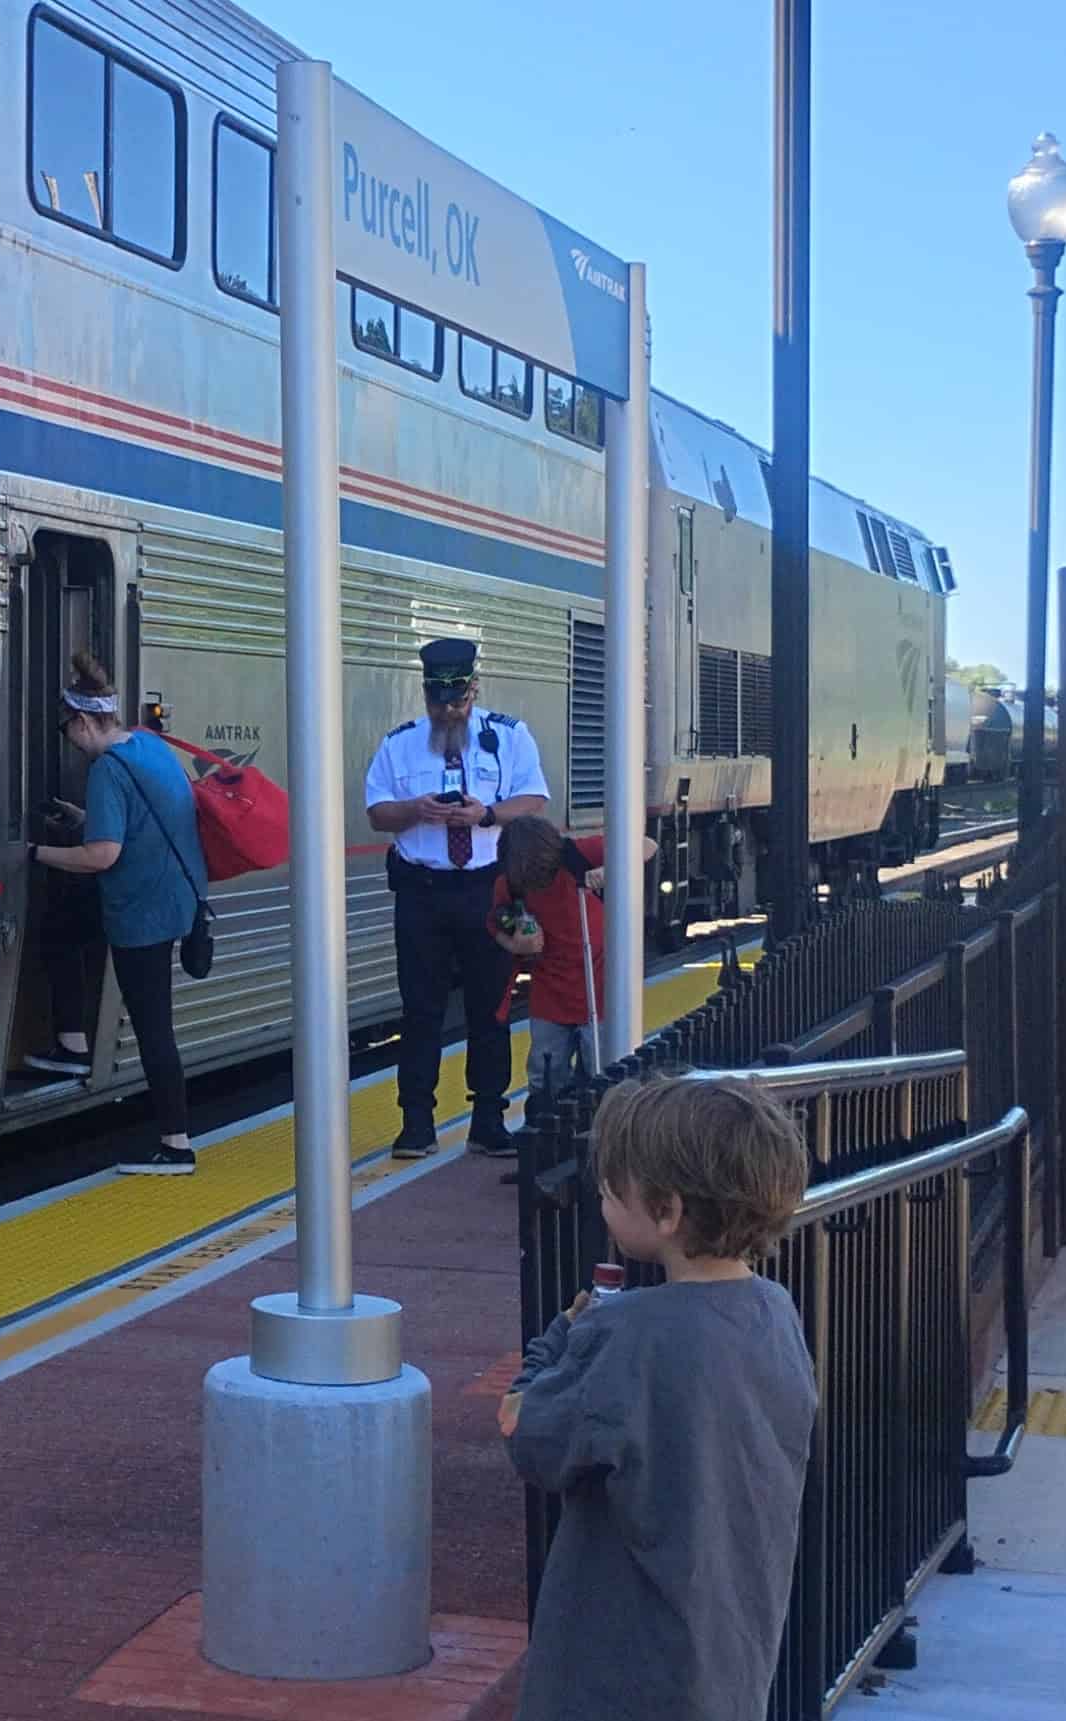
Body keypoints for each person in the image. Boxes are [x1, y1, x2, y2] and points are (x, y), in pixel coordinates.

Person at [498, 1076, 817, 1721]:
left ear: (667, 1211)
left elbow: (523, 1429)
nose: (602, 1198)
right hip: (728, 1665)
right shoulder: (775, 1314)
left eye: (613, 1188)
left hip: (622, 1675)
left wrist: (561, 1337)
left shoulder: (629, 1334)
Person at [362, 638, 550, 1157]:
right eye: (438, 701)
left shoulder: (508, 737)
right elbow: (377, 811)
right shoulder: (399, 744)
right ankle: (417, 1123)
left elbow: (535, 799)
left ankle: (487, 1119)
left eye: (457, 701)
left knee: (490, 1008)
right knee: (420, 1009)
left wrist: (485, 815)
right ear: (426, 695)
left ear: (474, 689)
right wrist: (415, 810)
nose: (447, 711)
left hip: (484, 886)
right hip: (422, 891)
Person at [28, 649, 207, 1176]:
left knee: (154, 1027)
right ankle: (73, 1045)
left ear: (82, 721)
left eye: (68, 732)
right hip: (173, 899)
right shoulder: (147, 747)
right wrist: (81, 817)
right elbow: (137, 820)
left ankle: (177, 1145)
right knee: (64, 931)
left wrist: (35, 854)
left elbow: (102, 855)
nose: (70, 743)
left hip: (140, 913)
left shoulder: (108, 768)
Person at [488, 815, 607, 1130]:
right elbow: (496, 923)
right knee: (544, 1069)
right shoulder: (510, 883)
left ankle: (598, 1133)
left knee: (601, 1066)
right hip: (550, 989)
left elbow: (646, 845)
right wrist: (516, 944)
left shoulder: (577, 854)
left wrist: (607, 870)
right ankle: (543, 1140)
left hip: (599, 983)